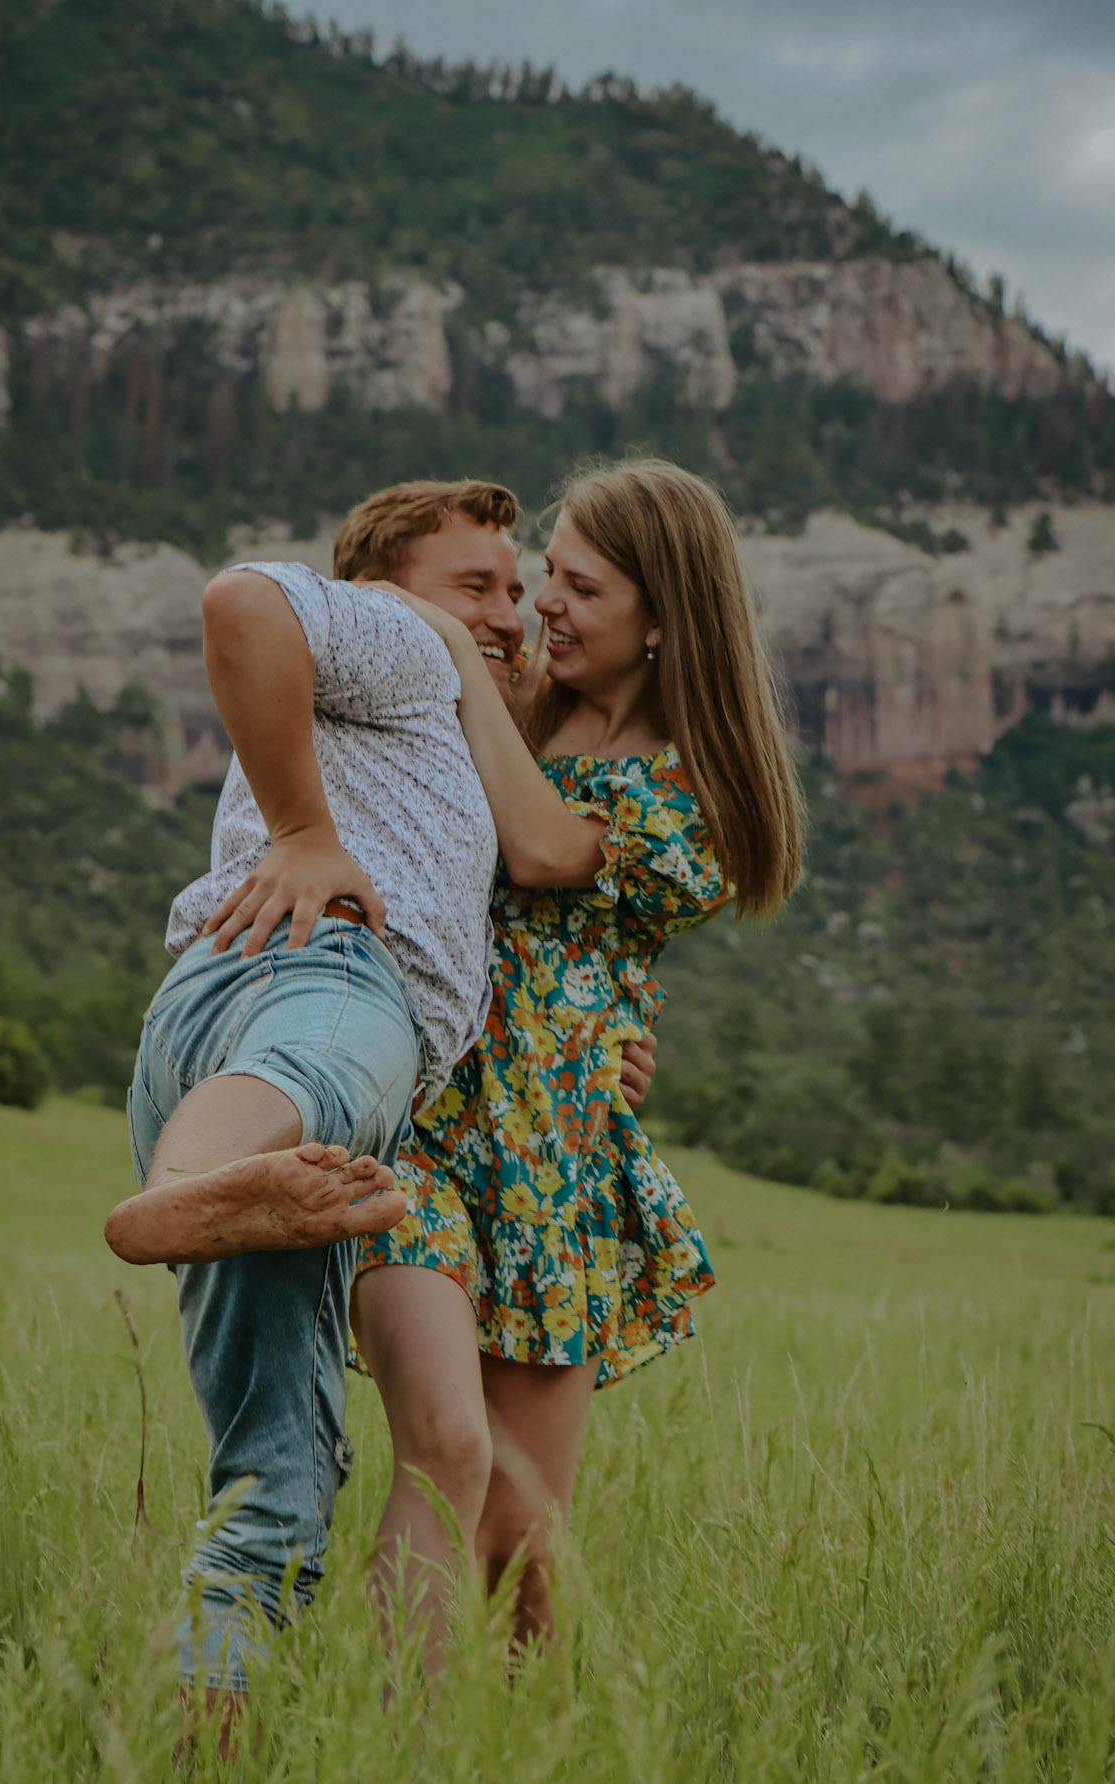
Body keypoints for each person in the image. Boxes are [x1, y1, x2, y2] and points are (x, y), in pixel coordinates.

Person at [347, 458, 805, 1664]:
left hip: (555, 1161)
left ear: (663, 619)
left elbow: (547, 855)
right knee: (447, 1457)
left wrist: (612, 1031)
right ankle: (392, 1747)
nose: (543, 602)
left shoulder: (693, 788)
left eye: (582, 587)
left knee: (523, 1536)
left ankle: (530, 1756)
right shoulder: (516, 704)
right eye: (550, 573)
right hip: (422, 1123)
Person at [102, 480, 526, 1712]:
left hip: (219, 1053)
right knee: (318, 1074)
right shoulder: (403, 644)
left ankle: (192, 1782)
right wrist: (301, 831)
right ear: (384, 589)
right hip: (325, 974)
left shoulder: (425, 715)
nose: (507, 613)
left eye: (517, 589)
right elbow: (241, 599)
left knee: (271, 1500)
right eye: (476, 585)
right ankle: (184, 1189)